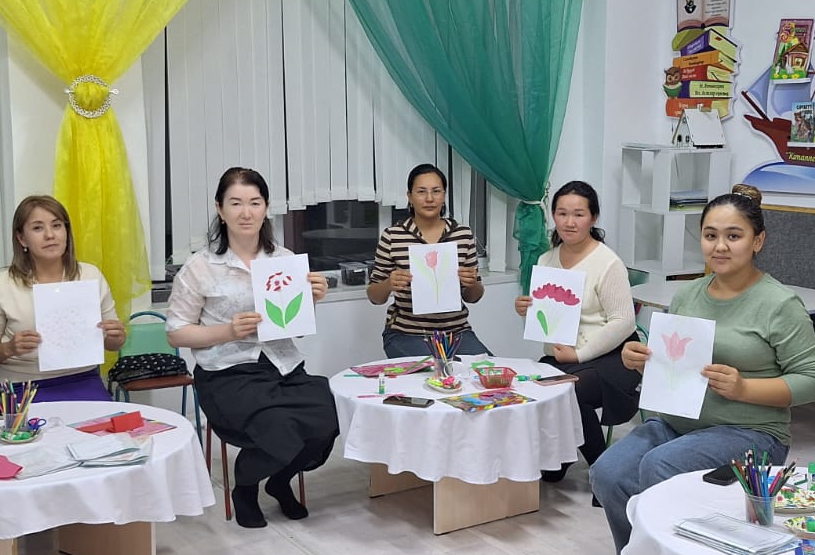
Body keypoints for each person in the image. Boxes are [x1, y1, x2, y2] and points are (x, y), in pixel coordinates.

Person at [590, 187, 815, 555]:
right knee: (607, 472)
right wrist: (640, 361)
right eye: (710, 235)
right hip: (677, 423)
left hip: (751, 432)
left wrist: (744, 388)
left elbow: (813, 381)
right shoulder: (687, 296)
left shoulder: (780, 304)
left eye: (734, 236)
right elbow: (675, 366)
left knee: (660, 465)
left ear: (758, 241)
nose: (720, 246)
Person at [166, 167, 338, 529]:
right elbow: (176, 333)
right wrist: (227, 331)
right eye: (236, 203)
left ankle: (279, 481)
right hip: (227, 373)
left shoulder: (284, 260)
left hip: (282, 364)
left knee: (328, 416)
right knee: (277, 425)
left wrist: (312, 300)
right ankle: (245, 487)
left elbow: (296, 332)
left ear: (266, 207)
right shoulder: (200, 267)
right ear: (220, 209)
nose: (246, 212)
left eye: (254, 203)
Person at [514, 180, 638, 479]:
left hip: (613, 357)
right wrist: (526, 310)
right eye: (562, 213)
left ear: (593, 218)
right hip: (564, 357)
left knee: (568, 391)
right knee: (531, 387)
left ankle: (604, 473)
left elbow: (624, 321)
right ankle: (558, 461)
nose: (569, 222)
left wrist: (579, 355)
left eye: (579, 214)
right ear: (553, 216)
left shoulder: (607, 263)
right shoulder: (546, 259)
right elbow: (547, 322)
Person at [0, 194, 126, 401]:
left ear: (66, 232)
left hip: (83, 378)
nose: (50, 235)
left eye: (57, 226)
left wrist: (116, 336)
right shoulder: (3, 283)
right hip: (21, 385)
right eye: (38, 228)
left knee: (105, 421)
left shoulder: (90, 275)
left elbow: (113, 344)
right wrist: (9, 348)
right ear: (22, 238)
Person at [367, 163, 490, 358]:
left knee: (487, 370)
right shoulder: (393, 236)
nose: (429, 198)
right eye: (421, 191)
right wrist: (389, 283)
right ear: (409, 196)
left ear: (444, 195)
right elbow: (375, 297)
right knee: (433, 372)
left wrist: (472, 283)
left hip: (456, 332)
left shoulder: (462, 234)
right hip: (407, 333)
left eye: (436, 191)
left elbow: (473, 297)